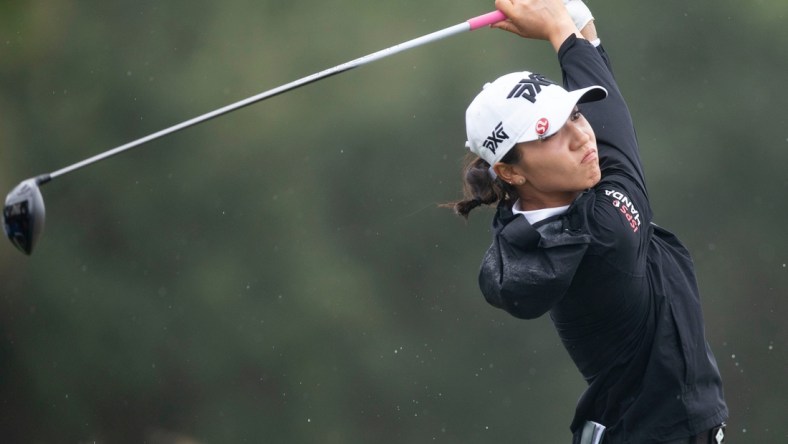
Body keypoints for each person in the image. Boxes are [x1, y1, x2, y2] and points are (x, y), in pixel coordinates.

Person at [446, 0, 729, 442]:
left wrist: (574, 26)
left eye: (575, 114)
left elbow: (604, 113)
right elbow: (616, 130)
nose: (582, 137)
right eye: (551, 133)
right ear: (510, 171)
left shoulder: (534, 210)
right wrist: (564, 27)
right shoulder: (605, 232)